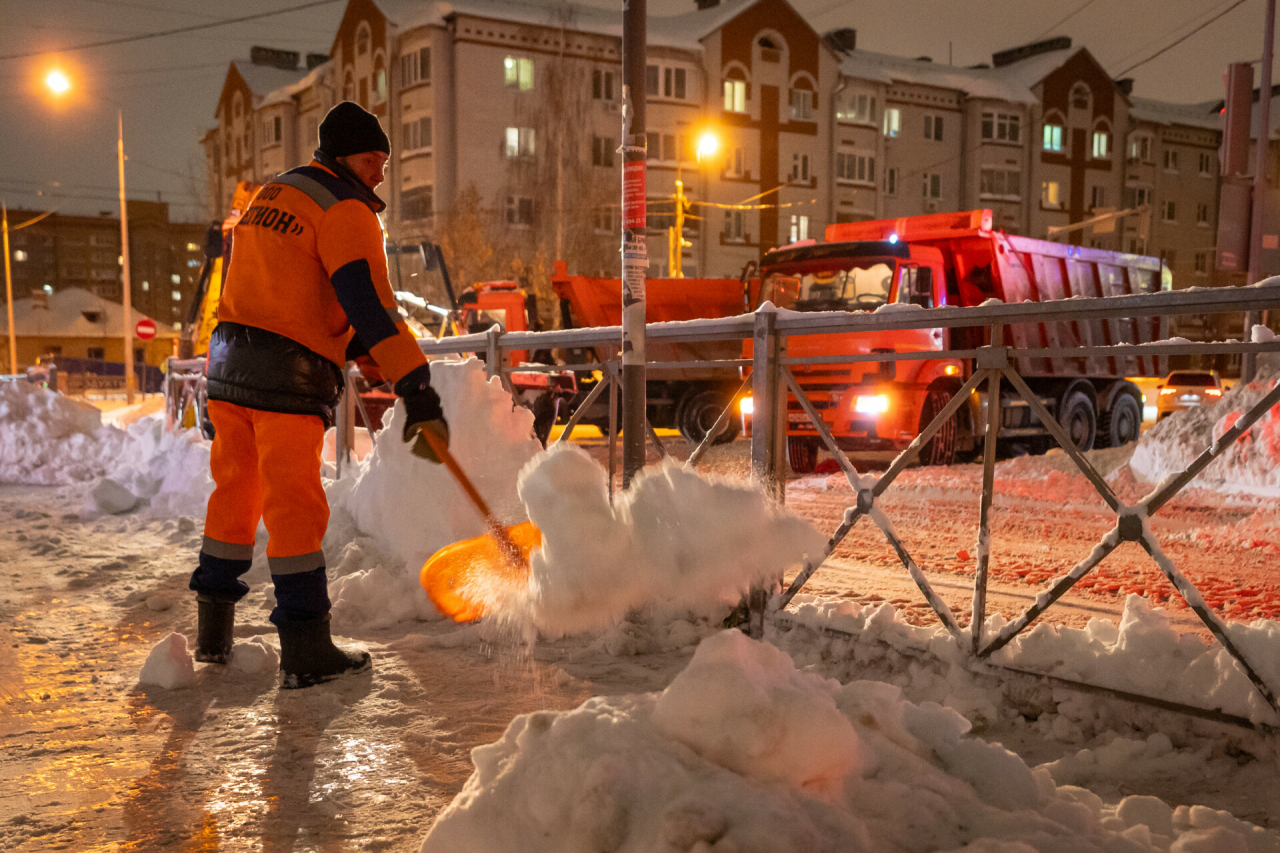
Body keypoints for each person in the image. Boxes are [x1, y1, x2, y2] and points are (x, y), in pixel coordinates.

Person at [189, 101, 449, 688]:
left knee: (234, 495)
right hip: (286, 378)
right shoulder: (346, 208)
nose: (379, 171)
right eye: (370, 158)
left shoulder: (273, 195)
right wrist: (416, 382)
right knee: (294, 508)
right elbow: (370, 306)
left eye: (384, 159)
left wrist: (360, 353)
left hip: (229, 368)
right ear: (340, 156)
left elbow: (297, 289)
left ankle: (212, 638)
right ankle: (306, 649)